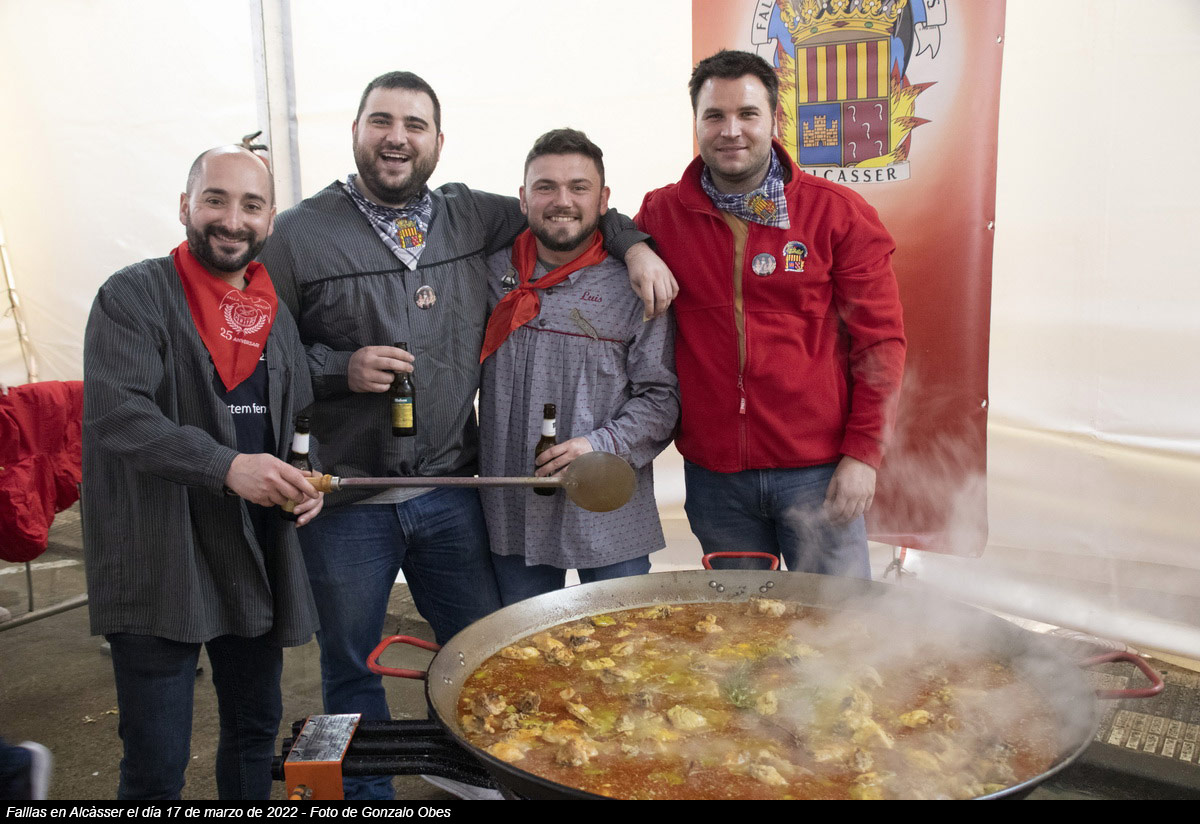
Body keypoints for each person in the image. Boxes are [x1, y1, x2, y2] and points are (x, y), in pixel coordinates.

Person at [258, 71, 675, 800]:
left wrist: (635, 244)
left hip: (462, 491)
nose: (397, 138)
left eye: (414, 125)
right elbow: (266, 350)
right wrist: (337, 367)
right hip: (357, 493)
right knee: (356, 659)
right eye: (382, 122)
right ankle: (373, 794)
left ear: (439, 141)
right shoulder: (301, 234)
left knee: (494, 647)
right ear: (354, 131)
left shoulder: (473, 221)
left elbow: (575, 213)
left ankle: (504, 774)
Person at [82, 146, 323, 800]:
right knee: (157, 760)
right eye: (216, 200)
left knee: (253, 731)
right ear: (186, 206)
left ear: (270, 218)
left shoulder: (273, 315)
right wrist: (228, 466)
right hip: (160, 556)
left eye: (251, 205)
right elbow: (118, 415)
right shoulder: (134, 295)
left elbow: (298, 419)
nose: (232, 220)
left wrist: (307, 477)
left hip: (251, 552)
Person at [636, 51, 906, 577]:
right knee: (740, 621)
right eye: (714, 116)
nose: (730, 130)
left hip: (818, 472)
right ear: (696, 123)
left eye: (747, 114)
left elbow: (881, 345)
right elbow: (600, 230)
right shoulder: (662, 214)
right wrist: (633, 248)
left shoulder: (839, 214)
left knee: (838, 619)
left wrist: (863, 455)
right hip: (716, 478)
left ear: (775, 120)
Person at [478, 129, 679, 604]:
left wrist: (598, 446)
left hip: (610, 511)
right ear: (523, 198)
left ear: (603, 200)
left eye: (579, 187)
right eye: (545, 187)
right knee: (524, 643)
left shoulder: (637, 285)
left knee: (624, 641)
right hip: (512, 511)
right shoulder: (486, 275)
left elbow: (662, 398)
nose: (562, 201)